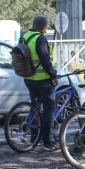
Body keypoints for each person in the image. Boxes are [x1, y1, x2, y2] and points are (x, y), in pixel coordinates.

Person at [20, 15, 58, 152]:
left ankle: (34, 137)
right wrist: (53, 74)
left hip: (29, 79)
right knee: (49, 109)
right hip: (43, 80)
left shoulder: (24, 36)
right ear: (43, 27)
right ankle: (48, 141)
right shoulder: (40, 38)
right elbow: (44, 58)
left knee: (34, 107)